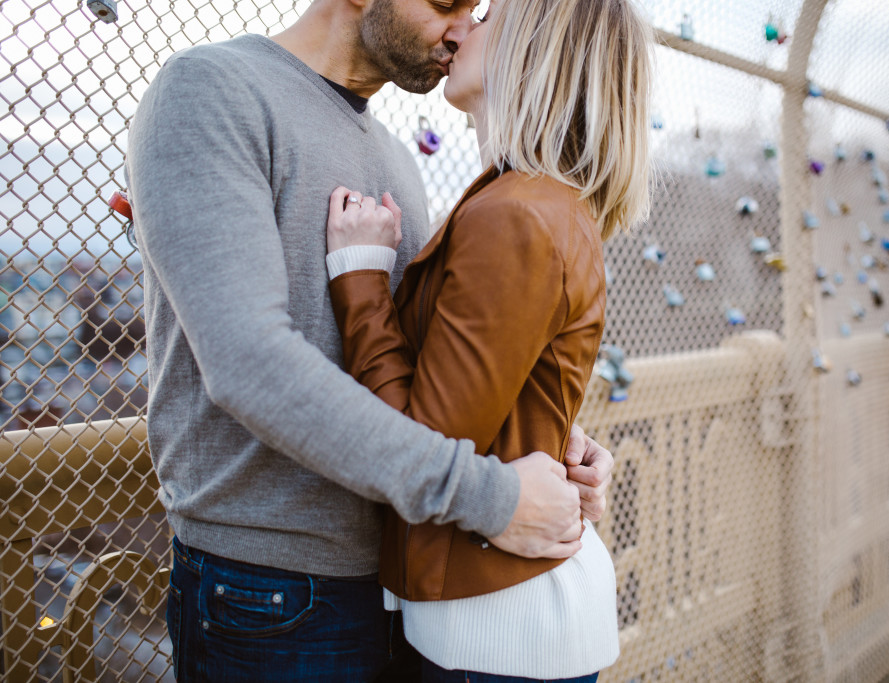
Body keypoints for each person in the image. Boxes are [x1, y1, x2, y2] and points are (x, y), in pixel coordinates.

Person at [124, 0, 614, 680]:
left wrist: (540, 435)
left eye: (474, 11)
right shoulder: (212, 91)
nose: (460, 28)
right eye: (447, 4)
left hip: (409, 580)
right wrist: (492, 494)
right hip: (269, 586)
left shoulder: (395, 159)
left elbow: (430, 369)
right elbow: (247, 361)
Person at [324, 0, 652, 680]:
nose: (462, 29)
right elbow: (495, 386)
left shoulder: (516, 215)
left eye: (488, 16)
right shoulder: (541, 202)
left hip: (496, 620)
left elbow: (422, 443)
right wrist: (549, 431)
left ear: (533, 52)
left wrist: (359, 282)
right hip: (512, 607)